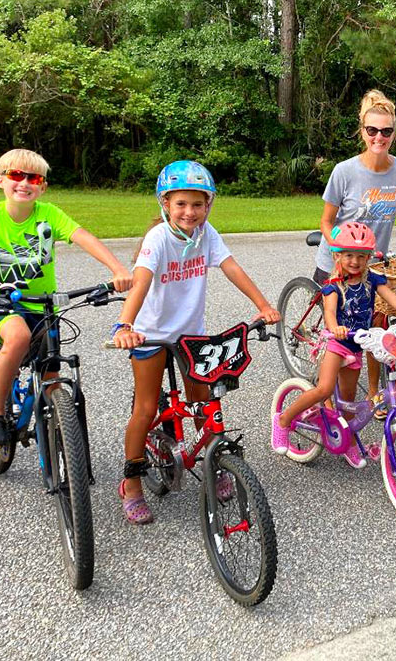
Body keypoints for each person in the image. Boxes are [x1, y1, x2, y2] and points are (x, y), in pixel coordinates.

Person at [111, 160, 279, 525]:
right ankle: (132, 482)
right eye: (182, 204)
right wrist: (125, 324)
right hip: (150, 332)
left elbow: (232, 267)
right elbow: (140, 283)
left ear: (209, 205)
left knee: (204, 401)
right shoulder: (158, 239)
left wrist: (263, 305)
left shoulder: (207, 234)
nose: (190, 212)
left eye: (198, 204)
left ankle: (215, 463)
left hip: (190, 333)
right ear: (166, 204)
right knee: (144, 409)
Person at [0, 149, 133, 447]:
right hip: (3, 304)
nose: (25, 182)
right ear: (1, 181)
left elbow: (84, 237)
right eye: (16, 175)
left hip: (44, 305)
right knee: (17, 337)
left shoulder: (49, 214)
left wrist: (118, 269)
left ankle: (63, 443)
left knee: (51, 371)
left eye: (33, 177)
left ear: (42, 186)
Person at [273, 222, 396, 468]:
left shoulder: (373, 280)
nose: (355, 261)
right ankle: (283, 420)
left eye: (361, 256)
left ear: (368, 257)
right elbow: (329, 311)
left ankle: (347, 441)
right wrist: (334, 327)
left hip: (358, 344)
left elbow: (393, 300)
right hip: (337, 344)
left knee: (347, 402)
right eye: (348, 255)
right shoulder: (333, 285)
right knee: (325, 389)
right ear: (337, 255)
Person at [315, 89, 396, 397]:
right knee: (336, 329)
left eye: (386, 131)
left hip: (372, 263)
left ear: (394, 133)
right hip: (338, 262)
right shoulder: (345, 171)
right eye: (372, 130)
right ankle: (324, 385)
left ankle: (372, 392)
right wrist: (337, 252)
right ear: (362, 131)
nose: (378, 137)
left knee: (376, 328)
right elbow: (326, 222)